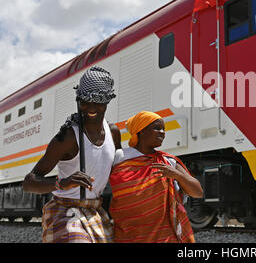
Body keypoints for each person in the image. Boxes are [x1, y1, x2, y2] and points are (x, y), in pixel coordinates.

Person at [23, 66, 122, 243]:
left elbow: (121, 170)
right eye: (85, 101)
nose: (91, 107)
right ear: (78, 100)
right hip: (64, 211)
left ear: (107, 101)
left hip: (94, 211)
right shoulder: (68, 137)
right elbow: (29, 183)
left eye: (98, 100)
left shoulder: (113, 133)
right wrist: (63, 183)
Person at [109, 111, 203, 243]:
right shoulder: (120, 157)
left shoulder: (168, 161)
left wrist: (177, 175)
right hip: (128, 235)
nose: (162, 132)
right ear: (141, 131)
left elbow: (198, 192)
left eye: (163, 129)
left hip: (164, 236)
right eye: (157, 128)